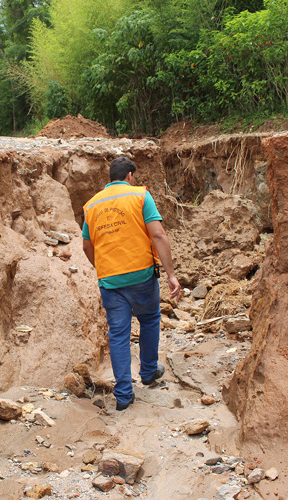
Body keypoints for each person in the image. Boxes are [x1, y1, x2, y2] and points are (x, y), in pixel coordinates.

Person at [82, 157, 181, 411]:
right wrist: (171, 274)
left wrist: (103, 269)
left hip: (111, 282)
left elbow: (86, 245)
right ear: (129, 176)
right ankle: (148, 371)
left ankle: (124, 396)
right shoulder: (140, 196)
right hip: (142, 277)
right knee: (149, 319)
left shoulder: (92, 205)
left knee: (118, 335)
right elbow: (158, 234)